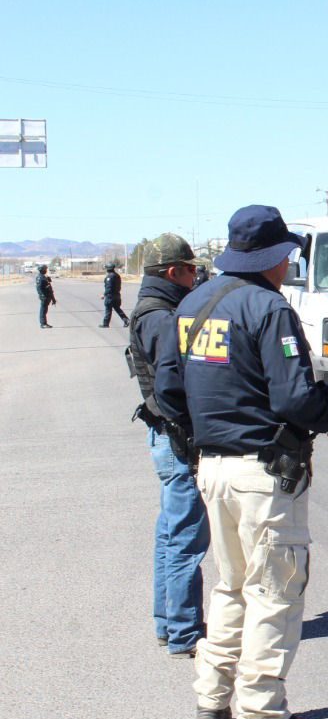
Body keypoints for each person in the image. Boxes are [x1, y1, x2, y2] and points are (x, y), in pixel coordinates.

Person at [155, 204, 328, 719]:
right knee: (275, 590)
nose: (289, 263)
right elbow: (293, 396)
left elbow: (169, 391)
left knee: (231, 586)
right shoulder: (268, 309)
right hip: (264, 474)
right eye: (287, 254)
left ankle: (212, 697)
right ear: (272, 256)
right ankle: (264, 715)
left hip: (212, 469)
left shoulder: (194, 303)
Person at [128, 234, 209, 658]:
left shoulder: (157, 309)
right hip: (176, 437)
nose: (196, 276)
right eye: (191, 269)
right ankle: (184, 630)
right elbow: (171, 383)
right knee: (186, 537)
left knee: (171, 533)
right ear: (173, 272)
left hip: (166, 434)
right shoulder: (160, 317)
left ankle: (170, 622)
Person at [101, 262, 129, 327]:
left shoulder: (109, 277)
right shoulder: (117, 275)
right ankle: (126, 320)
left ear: (108, 269)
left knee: (108, 310)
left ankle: (105, 324)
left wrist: (104, 294)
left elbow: (109, 287)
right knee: (117, 309)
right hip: (117, 295)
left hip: (110, 296)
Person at [35, 264, 55, 328]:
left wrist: (53, 299)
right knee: (43, 310)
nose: (46, 270)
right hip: (44, 296)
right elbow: (39, 288)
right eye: (45, 269)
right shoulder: (40, 277)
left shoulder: (44, 277)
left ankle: (44, 323)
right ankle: (43, 324)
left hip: (47, 296)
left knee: (45, 310)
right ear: (42, 270)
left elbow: (49, 288)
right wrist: (42, 296)